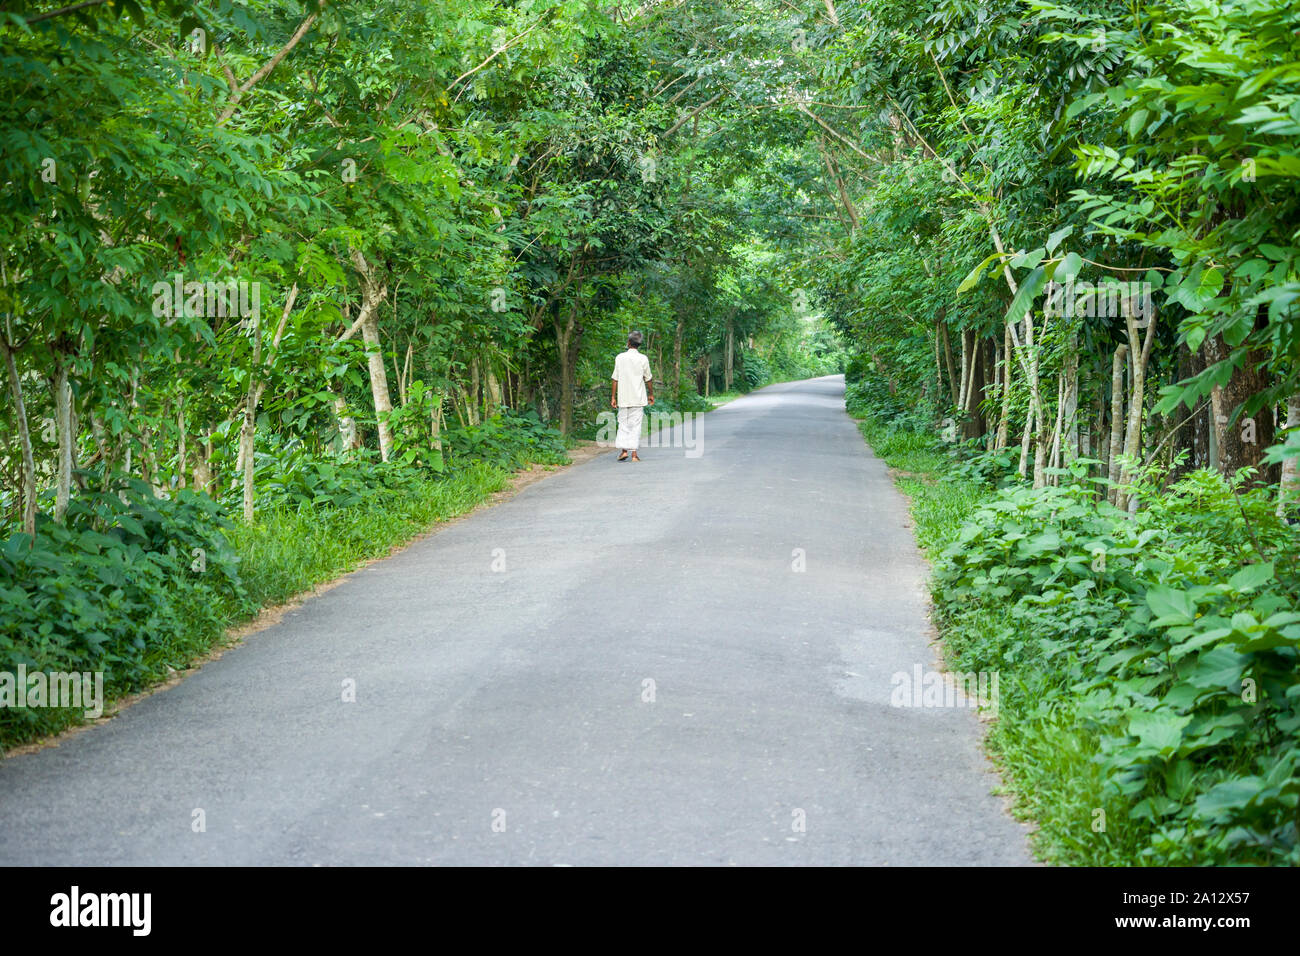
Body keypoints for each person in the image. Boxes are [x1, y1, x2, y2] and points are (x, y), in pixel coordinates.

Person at [610, 330, 654, 462]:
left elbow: (615, 379)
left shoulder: (619, 358)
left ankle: (624, 451)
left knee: (623, 424)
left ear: (628, 343)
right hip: (638, 398)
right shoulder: (643, 359)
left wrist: (613, 397)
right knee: (635, 425)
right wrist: (651, 394)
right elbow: (648, 379)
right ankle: (634, 455)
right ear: (638, 344)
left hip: (623, 398)